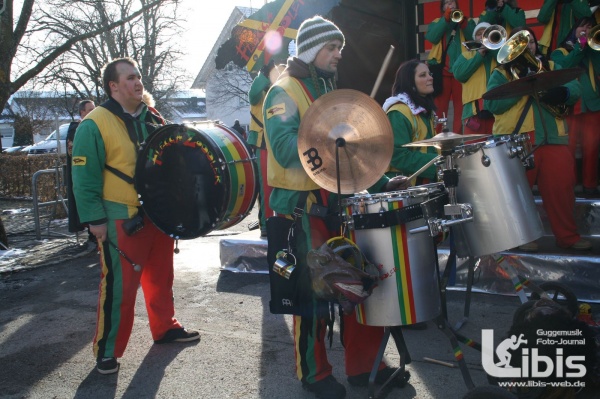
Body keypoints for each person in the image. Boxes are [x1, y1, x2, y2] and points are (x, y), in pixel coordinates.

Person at [263, 16, 410, 399]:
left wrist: (382, 182)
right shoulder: (284, 92)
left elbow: (351, 159)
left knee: (361, 282)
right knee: (314, 292)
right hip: (302, 209)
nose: (339, 53)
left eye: (339, 47)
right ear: (312, 50)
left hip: (340, 205)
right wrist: (331, 135)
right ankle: (314, 373)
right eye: (331, 47)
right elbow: (282, 148)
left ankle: (366, 366)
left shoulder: (332, 92)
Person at [71, 57, 200, 375]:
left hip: (158, 216)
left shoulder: (153, 116)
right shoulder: (95, 123)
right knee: (120, 287)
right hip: (119, 217)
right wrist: (94, 219)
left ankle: (165, 328)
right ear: (113, 86)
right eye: (129, 78)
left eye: (139, 76)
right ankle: (107, 350)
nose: (138, 82)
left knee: (161, 278)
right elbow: (84, 177)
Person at [484, 27, 592, 251]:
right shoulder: (500, 73)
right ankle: (521, 238)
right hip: (516, 140)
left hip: (553, 139)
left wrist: (562, 93)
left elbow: (574, 86)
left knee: (562, 191)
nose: (529, 46)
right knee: (517, 194)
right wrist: (522, 86)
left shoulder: (552, 67)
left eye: (531, 42)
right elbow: (492, 104)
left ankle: (568, 237)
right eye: (523, 43)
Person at [551, 17, 600, 196]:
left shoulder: (595, 50)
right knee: (568, 149)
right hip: (570, 108)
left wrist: (591, 48)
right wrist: (580, 46)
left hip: (593, 106)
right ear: (574, 29)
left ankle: (590, 185)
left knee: (592, 148)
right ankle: (568, 184)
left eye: (590, 26)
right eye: (583, 26)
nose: (587, 29)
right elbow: (563, 67)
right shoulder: (560, 51)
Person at [383, 59, 439, 185]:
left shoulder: (424, 110)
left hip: (424, 182)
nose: (430, 78)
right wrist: (439, 163)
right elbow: (398, 156)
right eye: (423, 75)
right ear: (410, 82)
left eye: (429, 74)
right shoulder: (398, 113)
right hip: (401, 186)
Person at [425, 0, 476, 134]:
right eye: (447, 3)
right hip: (441, 72)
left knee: (461, 109)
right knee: (439, 109)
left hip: (461, 71)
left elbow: (474, 37)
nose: (451, 5)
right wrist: (446, 19)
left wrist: (463, 22)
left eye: (452, 2)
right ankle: (438, 139)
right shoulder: (437, 22)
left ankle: (458, 141)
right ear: (443, 8)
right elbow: (432, 37)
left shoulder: (467, 20)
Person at [451, 22, 498, 135]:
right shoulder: (465, 56)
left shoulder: (498, 56)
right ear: (474, 38)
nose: (482, 37)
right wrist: (479, 54)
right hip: (473, 114)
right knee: (473, 151)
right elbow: (459, 74)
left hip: (497, 112)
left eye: (485, 34)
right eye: (479, 34)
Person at [248, 60, 277, 237]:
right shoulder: (259, 86)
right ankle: (266, 225)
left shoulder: (279, 87)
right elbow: (253, 96)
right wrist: (263, 75)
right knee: (265, 187)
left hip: (276, 141)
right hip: (262, 142)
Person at [66, 99, 95, 238]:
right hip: (84, 174)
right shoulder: (76, 129)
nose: (94, 112)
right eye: (90, 110)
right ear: (82, 112)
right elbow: (76, 156)